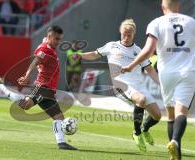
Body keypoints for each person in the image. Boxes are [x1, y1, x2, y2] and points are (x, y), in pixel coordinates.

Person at [0, 25, 77, 150]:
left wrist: (46, 41)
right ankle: (0, 85)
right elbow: (36, 60)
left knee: (59, 116)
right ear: (49, 37)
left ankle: (61, 143)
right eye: (57, 39)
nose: (59, 42)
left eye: (60, 39)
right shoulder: (45, 49)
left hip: (49, 91)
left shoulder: (48, 47)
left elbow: (42, 49)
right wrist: (27, 75)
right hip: (42, 86)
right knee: (25, 105)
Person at [121, 1, 195, 159]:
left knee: (170, 115)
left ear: (163, 7)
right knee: (181, 111)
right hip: (188, 72)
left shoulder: (156, 23)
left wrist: (131, 65)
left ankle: (175, 154)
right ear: (179, 6)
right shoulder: (191, 22)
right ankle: (175, 141)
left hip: (167, 74)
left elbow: (148, 50)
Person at [73, 19, 161, 152]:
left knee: (157, 115)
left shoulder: (138, 50)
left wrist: (161, 84)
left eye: (129, 35)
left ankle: (145, 129)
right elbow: (94, 55)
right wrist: (79, 56)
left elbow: (150, 70)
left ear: (134, 34)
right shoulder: (112, 46)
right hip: (122, 85)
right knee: (141, 99)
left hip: (139, 86)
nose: (126, 37)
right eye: (124, 34)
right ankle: (137, 133)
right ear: (120, 32)